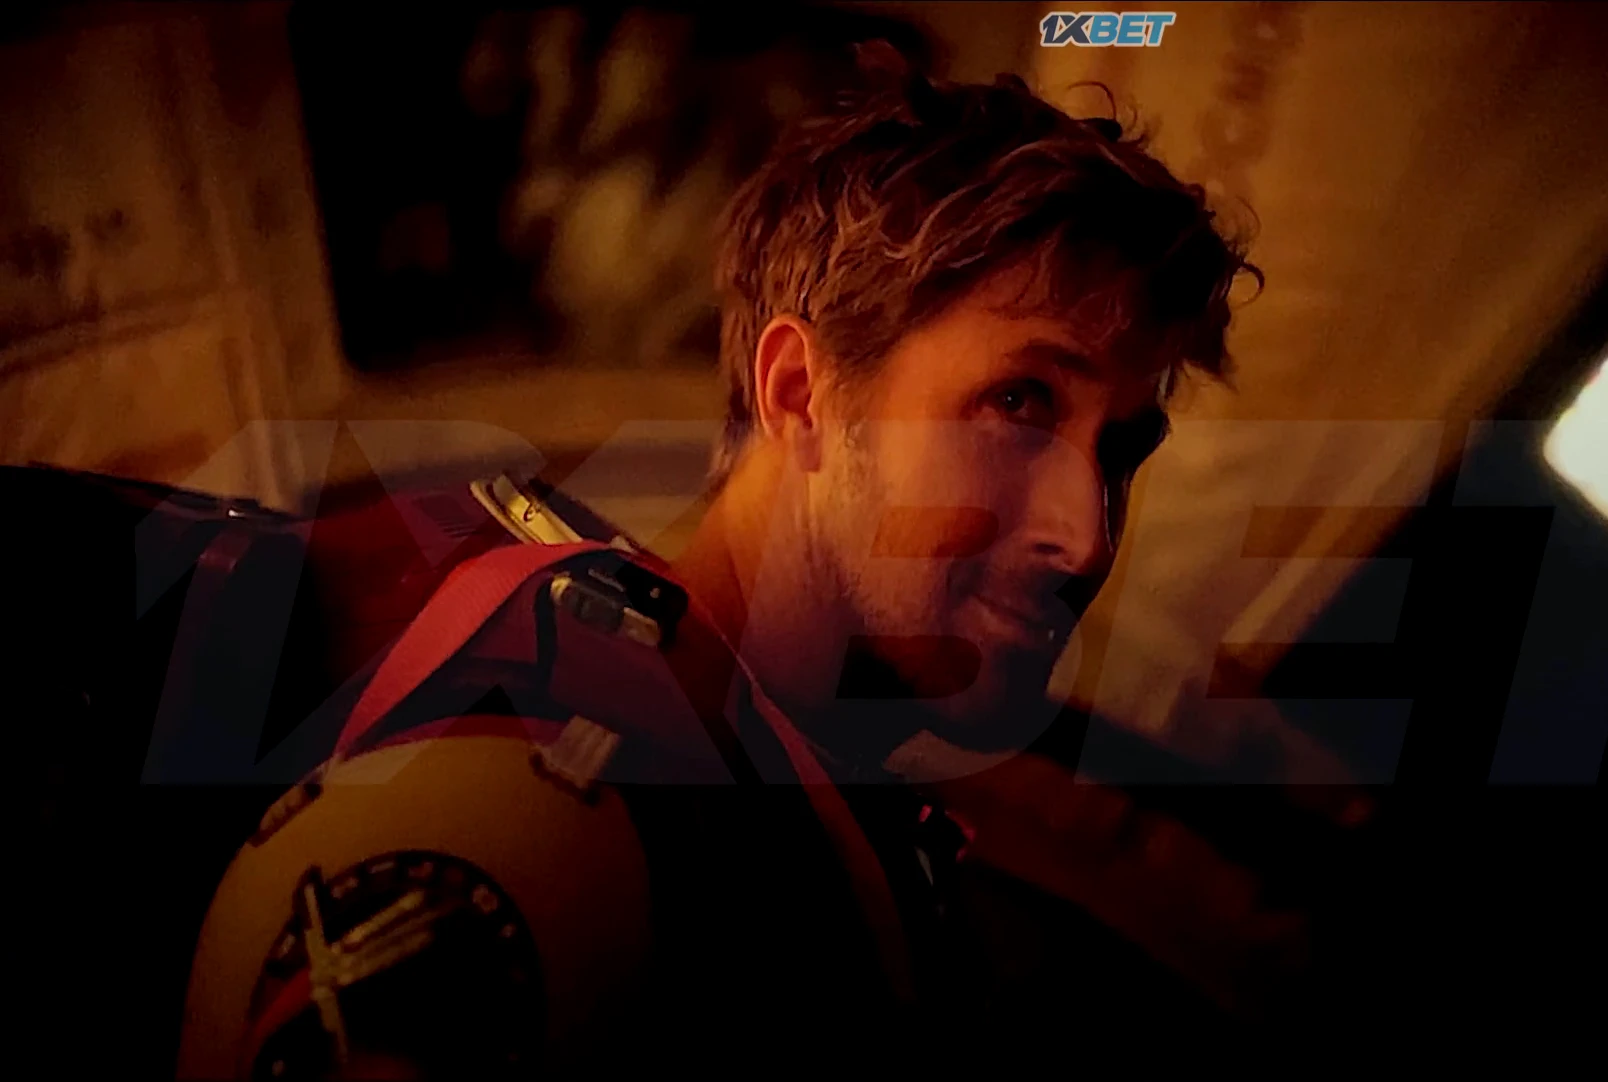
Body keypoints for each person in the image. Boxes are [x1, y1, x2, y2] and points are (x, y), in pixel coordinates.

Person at [179, 42, 1288, 1080]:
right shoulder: (545, 827)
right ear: (799, 394)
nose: (1086, 535)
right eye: (1019, 405)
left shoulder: (778, 768)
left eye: (1120, 451)